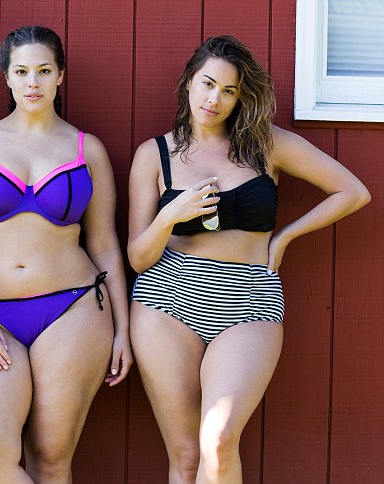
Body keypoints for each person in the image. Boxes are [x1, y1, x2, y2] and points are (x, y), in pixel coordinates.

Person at [128, 35, 370, 483]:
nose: (214, 99)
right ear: (188, 82)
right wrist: (170, 216)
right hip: (166, 298)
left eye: (229, 90)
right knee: (186, 456)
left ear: (241, 97)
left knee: (218, 440)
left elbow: (353, 191)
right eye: (207, 84)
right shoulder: (154, 154)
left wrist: (285, 237)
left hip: (249, 298)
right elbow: (138, 258)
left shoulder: (267, 144)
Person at [0, 25, 132, 483]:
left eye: (44, 71)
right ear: (6, 77)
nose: (33, 82)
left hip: (73, 309)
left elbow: (105, 245)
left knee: (50, 456)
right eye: (22, 71)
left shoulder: (87, 149)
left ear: (60, 76)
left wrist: (124, 331)